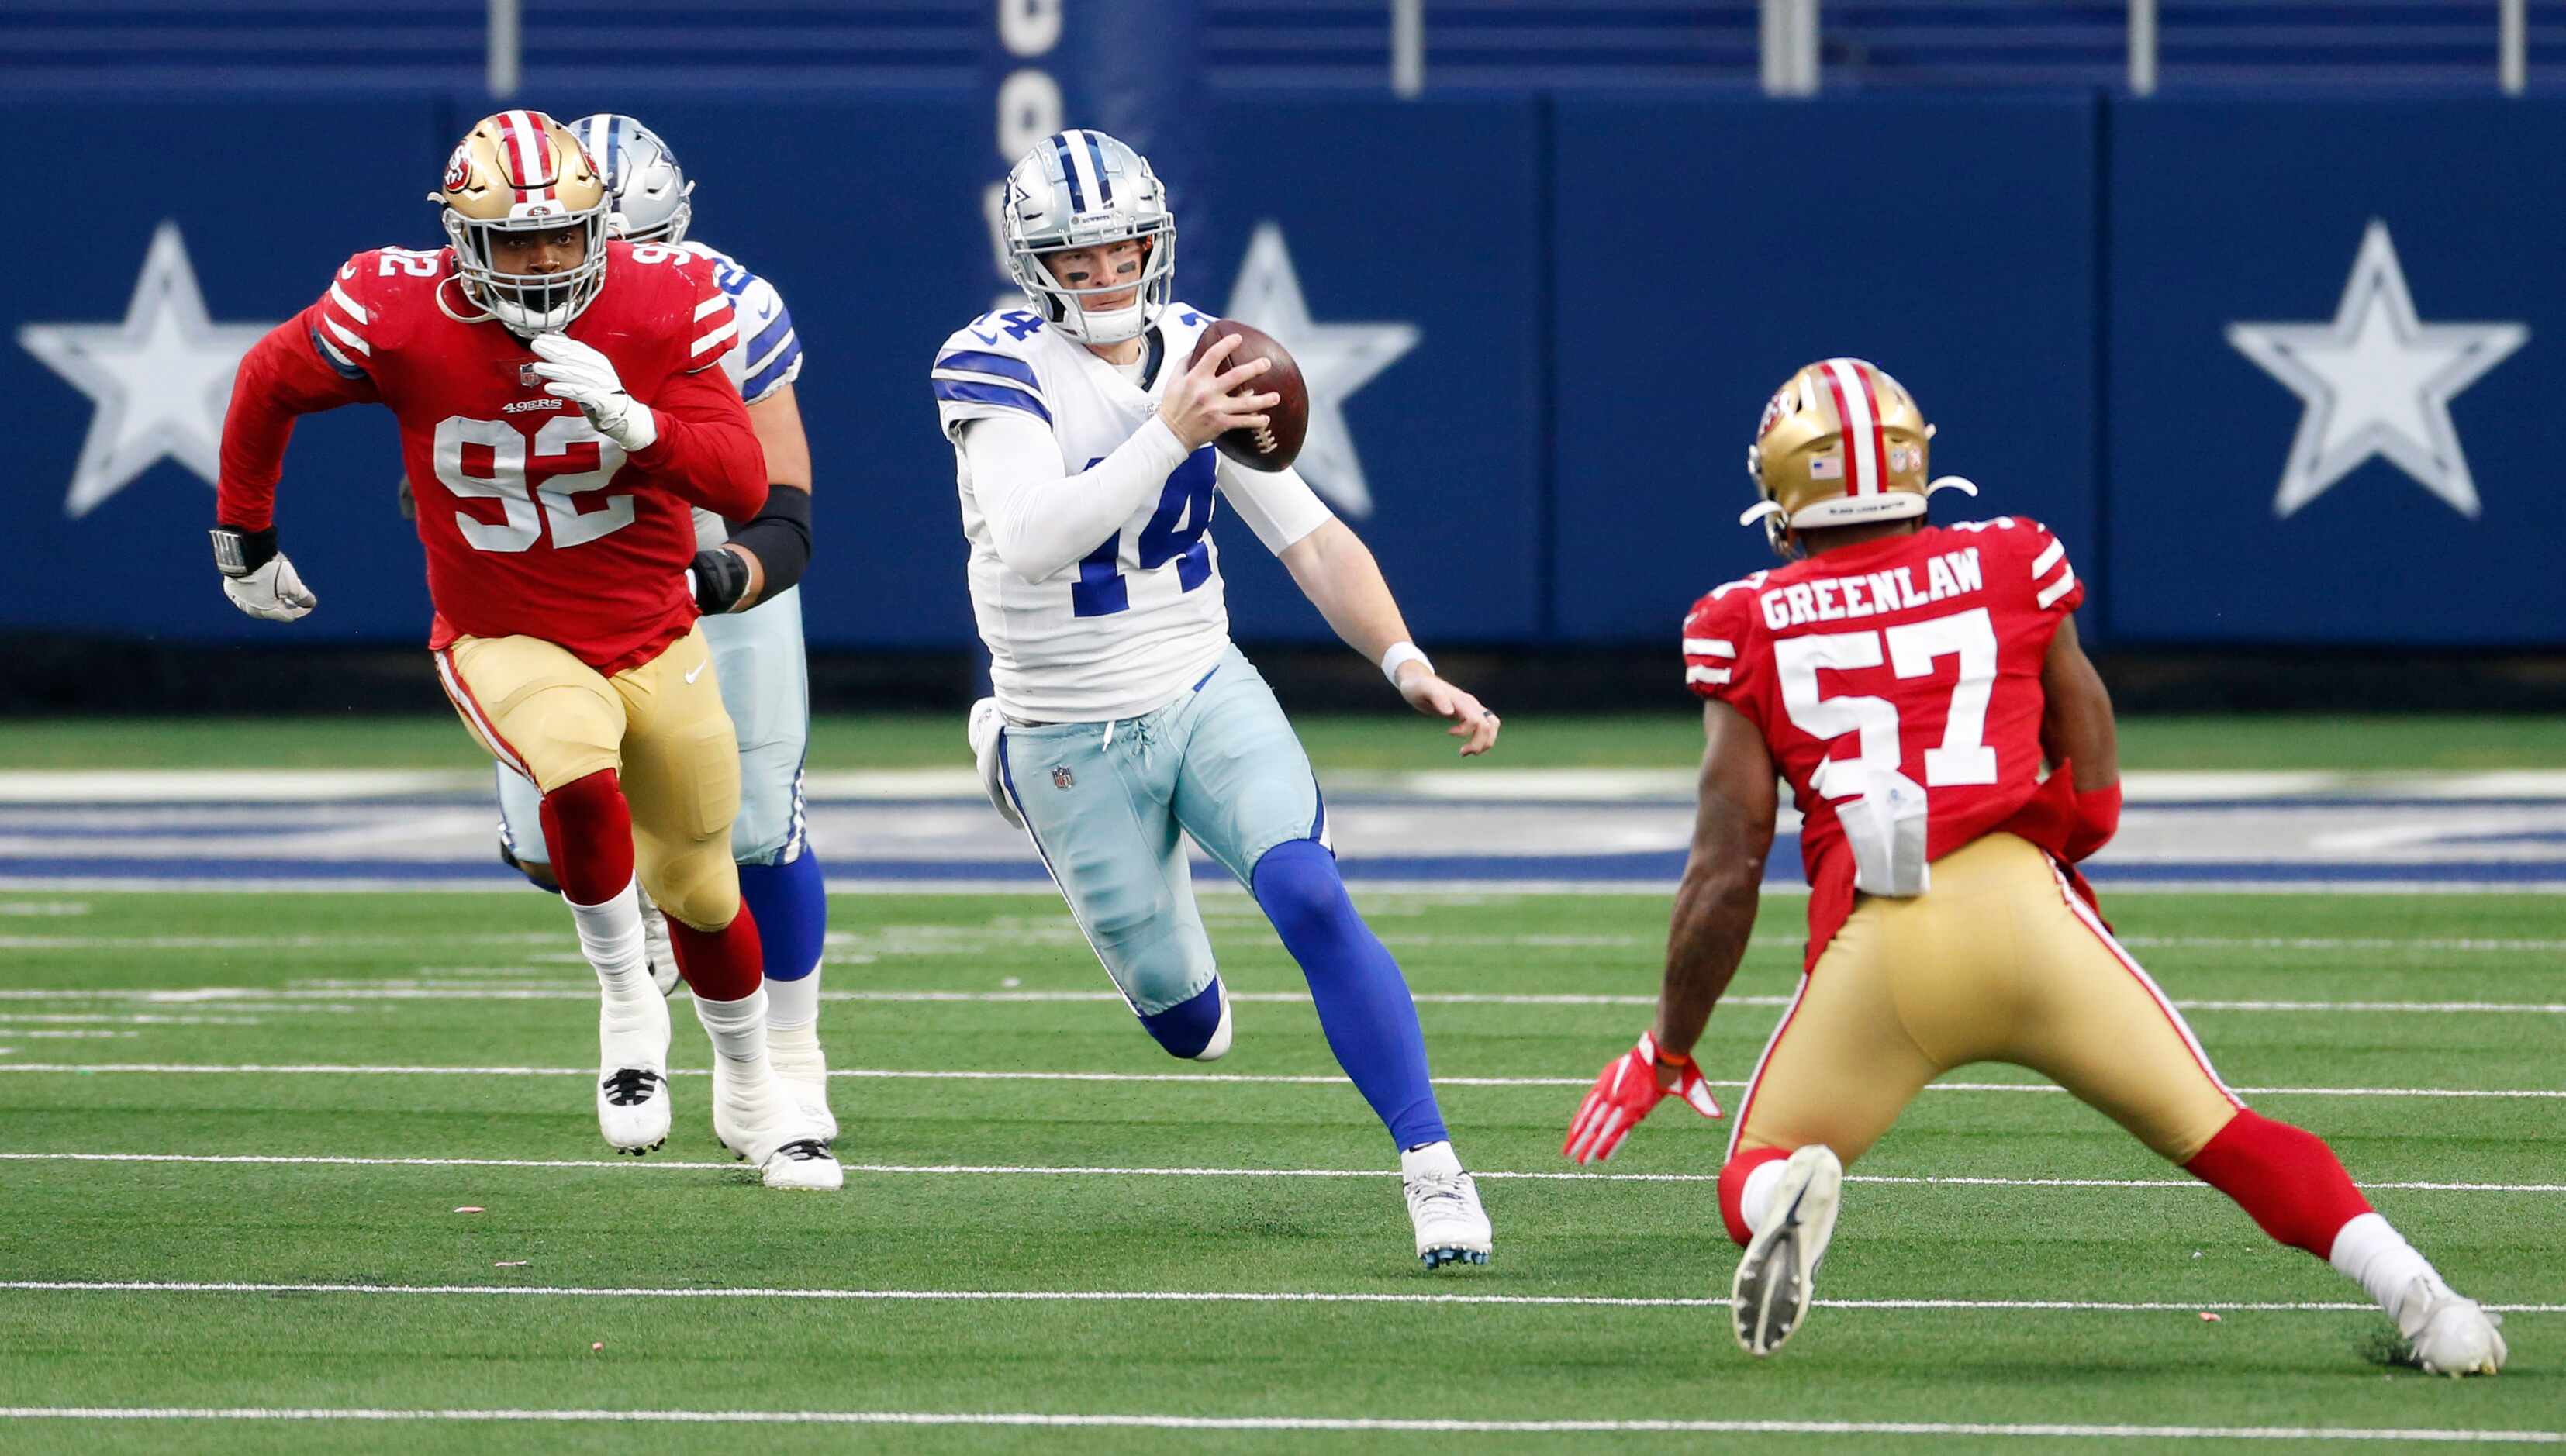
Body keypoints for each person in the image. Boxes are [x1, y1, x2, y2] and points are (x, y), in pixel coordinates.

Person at [1562, 358, 2506, 1373]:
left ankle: (1784, 1197)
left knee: (1748, 1170)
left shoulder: (1740, 617)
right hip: (2025, 906)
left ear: (1784, 490)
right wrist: (2068, 840)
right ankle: (2427, 1301)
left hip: (1879, 945)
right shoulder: (2009, 557)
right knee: (2225, 1134)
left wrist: (1668, 1047)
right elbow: (2087, 735)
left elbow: (1725, 864)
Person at [212, 108, 838, 1189]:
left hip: (674, 600)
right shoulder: (399, 308)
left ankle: (768, 1080)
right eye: (518, 240)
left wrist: (649, 433)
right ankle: (626, 997)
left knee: (719, 858)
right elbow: (273, 379)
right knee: (569, 793)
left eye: (578, 236)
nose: (551, 267)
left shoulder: (691, 296)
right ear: (463, 238)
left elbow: (763, 497)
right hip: (509, 616)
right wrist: (246, 533)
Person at [934, 129, 1500, 1268]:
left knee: (1310, 893)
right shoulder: (989, 363)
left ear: (1158, 240)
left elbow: (1309, 537)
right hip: (1061, 718)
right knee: (1186, 1023)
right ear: (1031, 263)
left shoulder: (1204, 348)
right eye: (1076, 257)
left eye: (1123, 247)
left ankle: (1433, 1166)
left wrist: (1404, 661)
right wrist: (1166, 433)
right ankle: (1002, 758)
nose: (1103, 274)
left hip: (1198, 678)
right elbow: (1040, 538)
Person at [462, 112, 834, 1145]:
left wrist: (724, 574)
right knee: (547, 839)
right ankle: (637, 948)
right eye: (571, 243)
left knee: (754, 828)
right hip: (551, 590)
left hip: (711, 583)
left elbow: (787, 511)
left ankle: (791, 1054)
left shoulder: (724, 304)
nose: (593, 274)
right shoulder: (473, 305)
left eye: (637, 247)